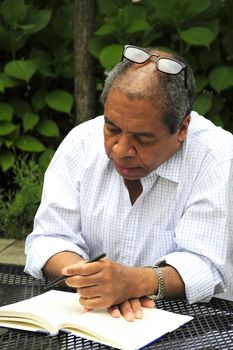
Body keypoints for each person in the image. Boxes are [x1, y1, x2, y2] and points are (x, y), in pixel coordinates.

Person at [25, 45, 233, 322]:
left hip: (199, 324)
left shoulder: (218, 157)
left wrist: (135, 282)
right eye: (112, 128)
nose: (121, 150)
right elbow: (50, 237)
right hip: (92, 318)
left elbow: (206, 265)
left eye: (142, 139)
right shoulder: (80, 142)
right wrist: (93, 280)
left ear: (182, 128)